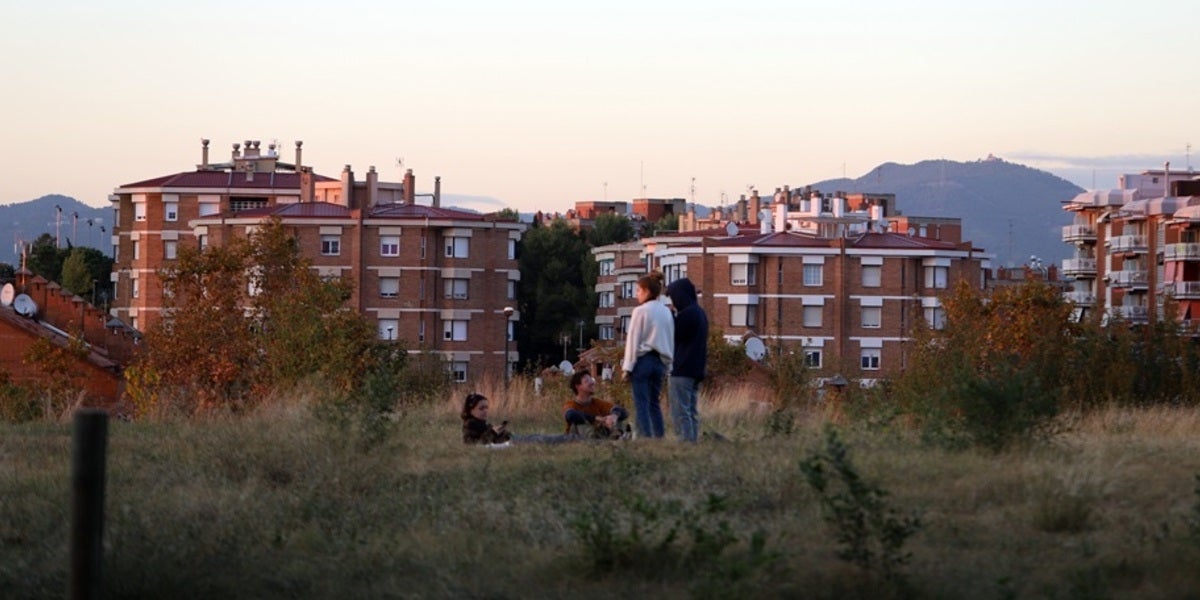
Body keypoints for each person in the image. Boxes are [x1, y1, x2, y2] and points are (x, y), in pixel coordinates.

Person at [621, 271, 674, 438]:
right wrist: (669, 365)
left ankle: (644, 437)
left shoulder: (640, 311)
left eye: (638, 290)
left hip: (643, 360)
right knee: (654, 403)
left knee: (641, 403)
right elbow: (670, 339)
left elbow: (633, 340)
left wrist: (627, 367)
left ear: (647, 291)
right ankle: (659, 436)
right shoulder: (666, 312)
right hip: (660, 362)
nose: (636, 294)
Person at [666, 277, 708, 442]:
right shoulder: (699, 313)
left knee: (680, 410)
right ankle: (692, 439)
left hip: (682, 368)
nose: (673, 302)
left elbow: (673, 335)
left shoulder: (688, 314)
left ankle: (685, 442)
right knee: (691, 410)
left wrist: (670, 316)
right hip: (697, 368)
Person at [563, 370, 629, 438]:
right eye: (587, 381)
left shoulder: (597, 402)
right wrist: (596, 418)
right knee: (580, 423)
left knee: (619, 420)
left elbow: (622, 411)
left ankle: (617, 436)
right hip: (576, 438)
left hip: (596, 434)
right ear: (578, 387)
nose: (592, 382)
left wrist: (614, 416)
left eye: (591, 380)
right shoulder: (571, 404)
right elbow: (570, 415)